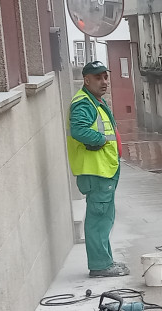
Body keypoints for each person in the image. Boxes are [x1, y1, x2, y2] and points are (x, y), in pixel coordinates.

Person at [66, 60, 129, 277]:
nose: (104, 82)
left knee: (104, 219)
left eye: (105, 77)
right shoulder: (84, 103)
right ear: (86, 80)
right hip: (97, 171)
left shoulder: (94, 101)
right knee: (99, 219)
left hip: (103, 170)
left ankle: (105, 261)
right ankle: (100, 265)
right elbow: (79, 130)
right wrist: (100, 140)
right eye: (98, 77)